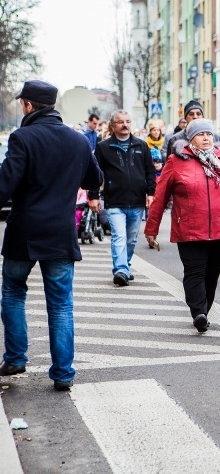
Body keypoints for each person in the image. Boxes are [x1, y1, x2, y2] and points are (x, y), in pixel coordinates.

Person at [0, 80, 103, 391]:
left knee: (14, 293)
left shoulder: (23, 137)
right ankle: (63, 374)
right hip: (61, 233)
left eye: (22, 103)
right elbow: (94, 178)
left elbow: (5, 185)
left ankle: (16, 357)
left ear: (29, 105)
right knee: (61, 305)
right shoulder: (78, 141)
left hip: (24, 232)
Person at [144, 119, 220, 332]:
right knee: (194, 272)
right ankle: (198, 312)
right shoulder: (176, 161)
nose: (206, 138)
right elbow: (160, 196)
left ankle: (204, 310)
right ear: (190, 138)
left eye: (209, 135)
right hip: (189, 229)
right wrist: (151, 229)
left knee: (212, 274)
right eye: (201, 135)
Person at [88, 110, 156, 286]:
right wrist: (94, 196)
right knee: (119, 236)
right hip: (114, 201)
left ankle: (125, 266)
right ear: (112, 126)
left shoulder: (141, 146)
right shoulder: (104, 148)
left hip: (137, 201)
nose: (125, 125)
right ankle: (120, 270)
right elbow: (95, 174)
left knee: (131, 239)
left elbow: (150, 172)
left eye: (127, 121)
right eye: (120, 122)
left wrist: (150, 193)